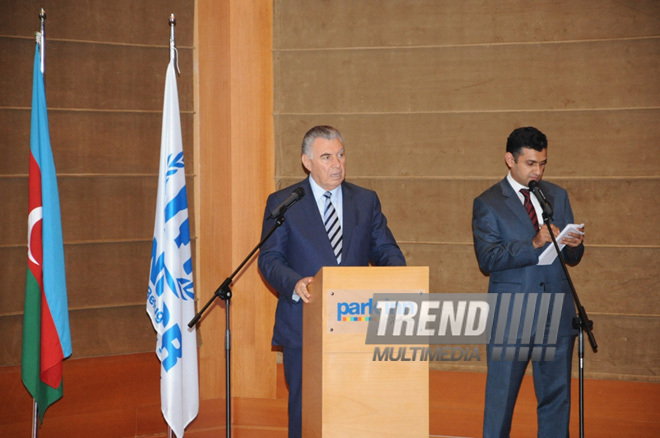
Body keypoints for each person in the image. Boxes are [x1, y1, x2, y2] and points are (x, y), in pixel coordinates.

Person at [258, 125, 405, 438]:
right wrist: (296, 283)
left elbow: (388, 252)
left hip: (356, 323)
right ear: (307, 162)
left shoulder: (365, 201)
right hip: (304, 323)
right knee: (306, 412)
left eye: (340, 154)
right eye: (326, 157)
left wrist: (394, 280)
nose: (337, 164)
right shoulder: (284, 203)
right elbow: (269, 260)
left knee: (354, 412)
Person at [472, 126, 585, 437]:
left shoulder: (557, 195)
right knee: (501, 400)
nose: (538, 170)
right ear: (510, 159)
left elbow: (573, 258)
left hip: (556, 314)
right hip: (513, 315)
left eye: (543, 163)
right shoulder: (488, 203)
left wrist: (574, 245)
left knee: (555, 399)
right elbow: (488, 259)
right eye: (530, 163)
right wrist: (533, 244)